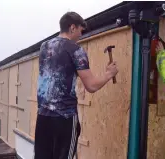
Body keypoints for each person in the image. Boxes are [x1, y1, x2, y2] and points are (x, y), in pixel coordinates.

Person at [34, 12, 118, 159]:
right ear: (72, 27)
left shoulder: (44, 47)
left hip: (43, 116)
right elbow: (91, 86)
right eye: (80, 30)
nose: (80, 35)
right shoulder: (75, 50)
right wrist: (109, 74)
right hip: (64, 118)